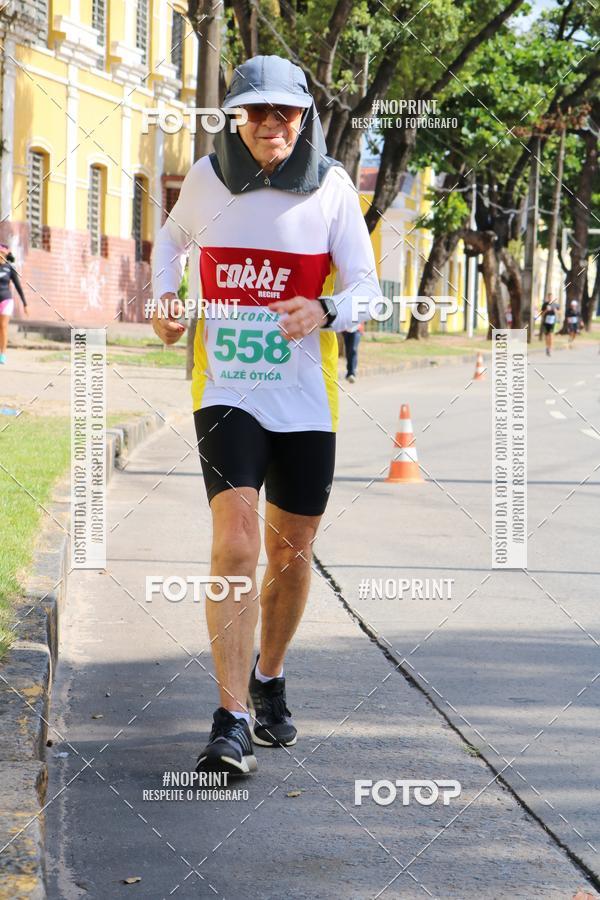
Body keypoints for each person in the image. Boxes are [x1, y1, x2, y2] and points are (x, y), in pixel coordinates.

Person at [151, 55, 379, 775]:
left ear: (303, 116)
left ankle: (269, 676)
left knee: (291, 550)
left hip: (306, 397)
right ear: (235, 117)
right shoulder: (207, 179)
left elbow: (370, 291)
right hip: (226, 388)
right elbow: (170, 240)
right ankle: (231, 719)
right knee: (237, 542)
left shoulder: (333, 188)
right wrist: (165, 298)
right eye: (256, 111)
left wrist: (325, 309)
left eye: (285, 111)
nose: (270, 123)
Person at [0, 243, 28, 364]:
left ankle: (2, 354)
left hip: (6, 300)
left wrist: (25, 304)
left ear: (5, 254)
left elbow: (18, 286)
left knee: (3, 326)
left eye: (1, 253)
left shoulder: (10, 268)